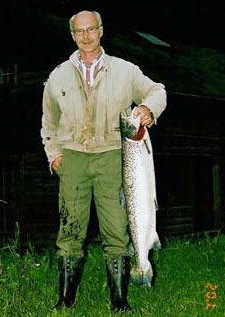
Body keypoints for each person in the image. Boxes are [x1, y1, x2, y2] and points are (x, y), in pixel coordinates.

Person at [41, 10, 166, 313]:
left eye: (90, 30)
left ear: (100, 31)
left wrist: (148, 108)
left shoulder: (125, 70)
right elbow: (49, 122)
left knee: (117, 228)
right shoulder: (57, 75)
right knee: (70, 232)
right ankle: (65, 301)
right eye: (79, 32)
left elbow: (157, 91)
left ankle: (120, 301)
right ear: (73, 36)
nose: (85, 36)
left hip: (114, 158)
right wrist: (54, 155)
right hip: (72, 159)